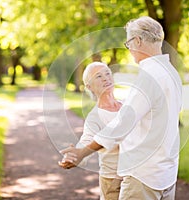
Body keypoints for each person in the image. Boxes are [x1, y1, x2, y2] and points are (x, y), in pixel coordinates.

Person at [59, 16, 182, 200]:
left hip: (144, 176)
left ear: (137, 41)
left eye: (128, 43)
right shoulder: (172, 73)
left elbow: (120, 126)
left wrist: (81, 153)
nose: (130, 50)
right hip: (167, 173)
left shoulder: (148, 78)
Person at [59, 62, 127, 200]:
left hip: (135, 176)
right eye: (98, 76)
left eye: (108, 73)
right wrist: (75, 156)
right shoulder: (94, 117)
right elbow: (87, 140)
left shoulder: (127, 105)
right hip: (112, 179)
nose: (105, 78)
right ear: (89, 87)